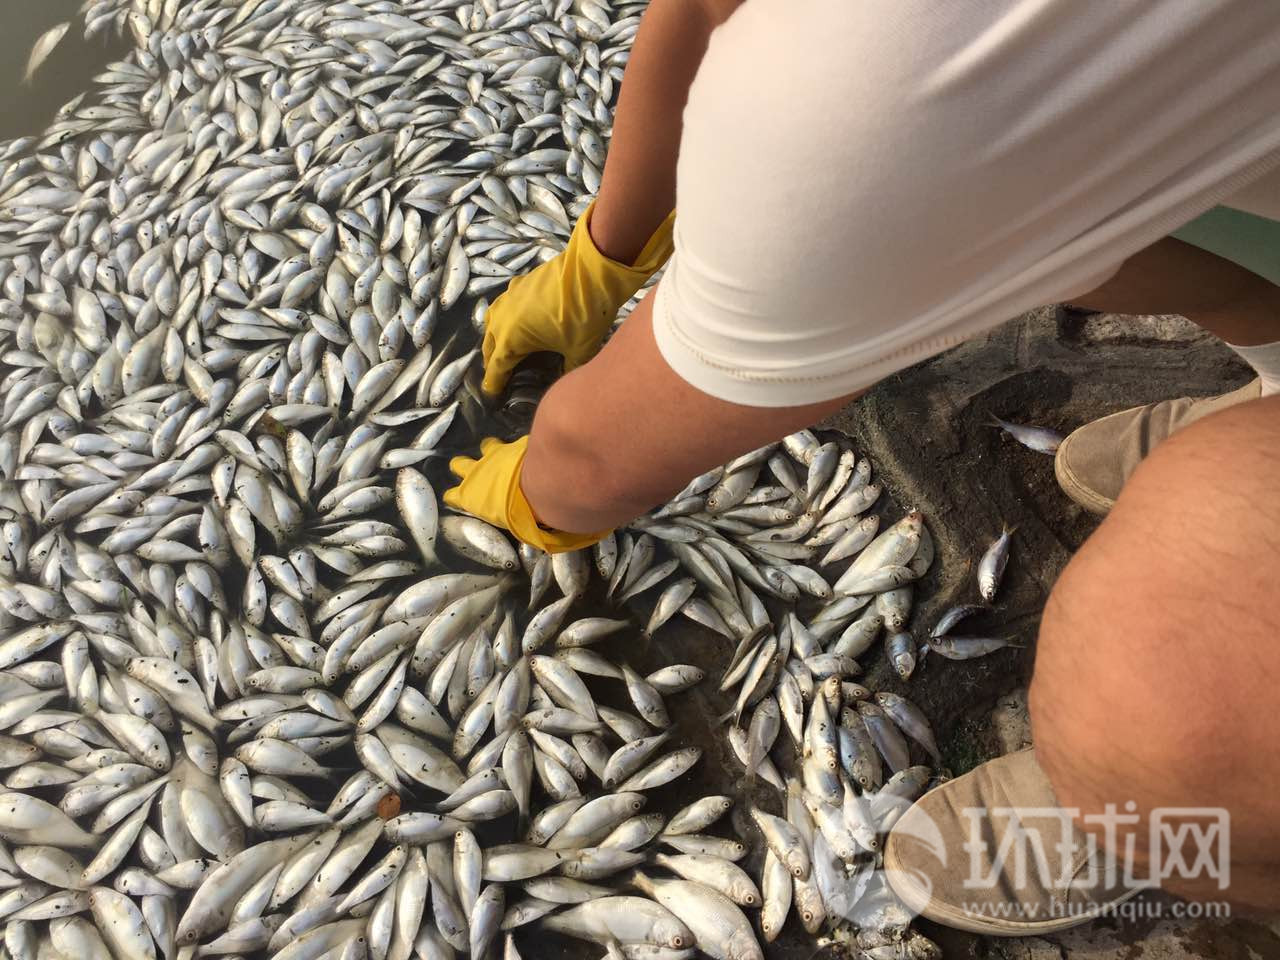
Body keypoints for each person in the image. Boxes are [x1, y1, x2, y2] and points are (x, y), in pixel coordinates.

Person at [442, 0, 1280, 935]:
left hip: (889, 126)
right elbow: (699, 11)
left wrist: (536, 491)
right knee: (1025, 201)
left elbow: (593, 460)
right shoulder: (910, 83)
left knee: (1162, 700)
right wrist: (606, 249)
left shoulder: (855, 119)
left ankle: (1172, 822)